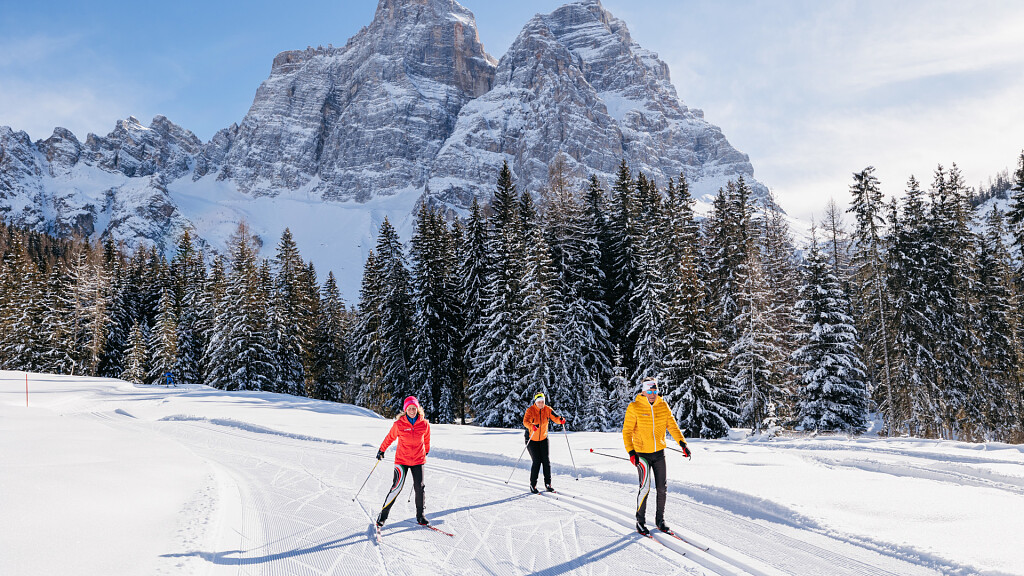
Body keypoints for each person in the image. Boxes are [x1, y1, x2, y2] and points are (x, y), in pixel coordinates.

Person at [621, 376, 691, 536]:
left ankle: (660, 520)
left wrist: (683, 444)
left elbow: (672, 425)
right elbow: (627, 432)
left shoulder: (663, 405)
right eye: (649, 391)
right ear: (643, 391)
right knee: (645, 487)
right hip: (642, 455)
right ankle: (640, 522)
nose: (653, 394)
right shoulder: (634, 407)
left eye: (655, 391)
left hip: (659, 453)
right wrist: (631, 452)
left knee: (662, 488)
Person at [375, 396, 431, 527]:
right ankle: (383, 516)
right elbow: (390, 437)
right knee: (397, 487)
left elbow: (427, 440)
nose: (412, 411)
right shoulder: (399, 424)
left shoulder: (424, 424)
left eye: (414, 408)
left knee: (419, 487)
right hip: (402, 460)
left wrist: (426, 451)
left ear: (417, 409)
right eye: (409, 408)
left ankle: (420, 516)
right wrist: (381, 450)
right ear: (405, 410)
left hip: (418, 460)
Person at [522, 392, 566, 493]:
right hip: (531, 439)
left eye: (542, 402)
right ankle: (533, 485)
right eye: (539, 402)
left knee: (546, 461)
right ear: (535, 402)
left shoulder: (547, 409)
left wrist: (561, 420)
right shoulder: (530, 410)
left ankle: (548, 484)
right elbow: (525, 422)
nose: (541, 404)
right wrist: (532, 426)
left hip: (543, 438)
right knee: (537, 461)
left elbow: (555, 417)